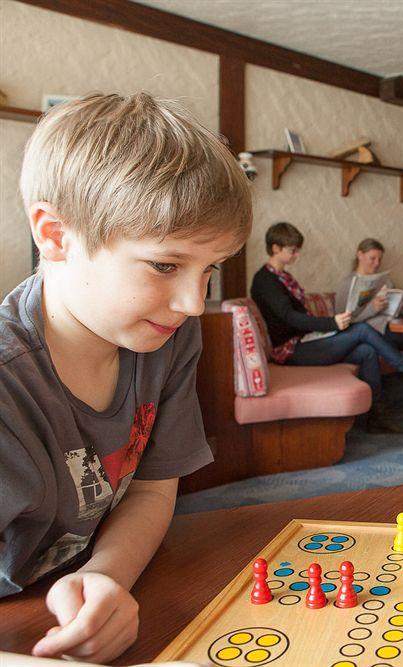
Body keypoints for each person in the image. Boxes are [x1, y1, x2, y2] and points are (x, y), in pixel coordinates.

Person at [0, 92, 253, 664]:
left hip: (64, 588)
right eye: (165, 265)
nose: (193, 302)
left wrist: (107, 575)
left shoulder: (166, 334)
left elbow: (152, 487)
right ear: (55, 234)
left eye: (208, 269)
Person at [251, 224, 403, 435]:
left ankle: (376, 418)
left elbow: (299, 318)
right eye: (293, 250)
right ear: (275, 249)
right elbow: (291, 318)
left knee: (368, 351)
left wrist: (328, 326)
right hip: (290, 350)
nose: (297, 255)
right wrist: (333, 323)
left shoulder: (283, 278)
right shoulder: (265, 280)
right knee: (362, 330)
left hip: (305, 341)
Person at [334, 238, 403, 365]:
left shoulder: (384, 281)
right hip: (375, 333)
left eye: (379, 259)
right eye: (373, 258)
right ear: (360, 255)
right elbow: (342, 322)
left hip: (393, 327)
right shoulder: (347, 283)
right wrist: (372, 309)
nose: (377, 263)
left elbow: (392, 310)